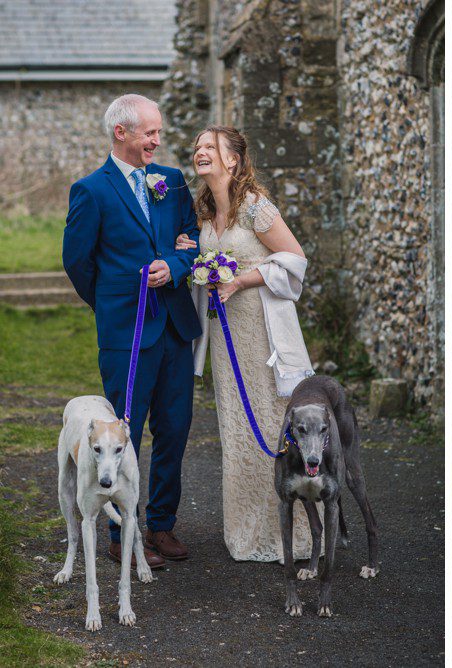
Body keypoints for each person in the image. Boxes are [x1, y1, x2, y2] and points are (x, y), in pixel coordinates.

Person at [63, 94, 201, 567]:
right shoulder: (91, 190)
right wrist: (111, 305)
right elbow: (77, 262)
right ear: (121, 133)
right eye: (150, 133)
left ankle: (161, 525)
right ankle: (123, 533)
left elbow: (192, 238)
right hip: (126, 334)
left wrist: (176, 263)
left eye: (158, 132)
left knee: (176, 429)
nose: (157, 141)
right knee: (123, 435)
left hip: (176, 329)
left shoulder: (173, 182)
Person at [176, 126, 316, 562]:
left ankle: (291, 534)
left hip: (260, 324)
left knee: (271, 419)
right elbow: (208, 264)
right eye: (197, 147)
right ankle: (246, 529)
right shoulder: (203, 211)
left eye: (210, 147)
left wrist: (240, 279)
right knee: (235, 425)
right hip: (224, 330)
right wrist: (191, 253)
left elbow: (294, 260)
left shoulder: (255, 206)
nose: (201, 152)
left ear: (232, 159)